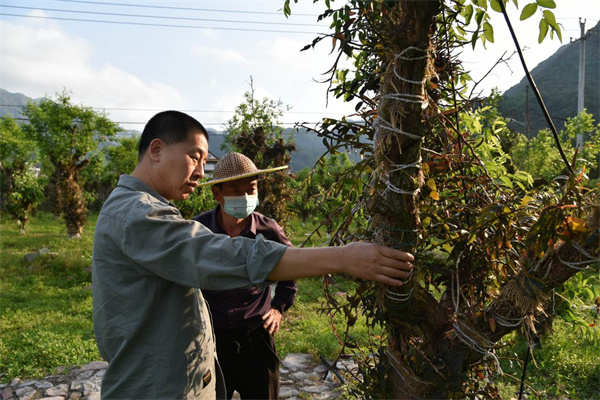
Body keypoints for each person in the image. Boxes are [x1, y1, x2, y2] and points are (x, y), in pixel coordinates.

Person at [92, 110, 415, 400]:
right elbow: (221, 256)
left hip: (205, 362)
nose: (200, 172)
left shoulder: (154, 211)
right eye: (194, 157)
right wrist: (343, 257)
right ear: (157, 150)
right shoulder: (136, 213)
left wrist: (278, 307)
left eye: (205, 163)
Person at [193, 152, 296, 400]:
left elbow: (292, 267)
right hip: (212, 341)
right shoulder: (198, 230)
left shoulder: (268, 229)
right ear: (217, 193)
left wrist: (278, 307)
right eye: (236, 190)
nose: (246, 197)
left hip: (256, 338)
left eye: (251, 189)